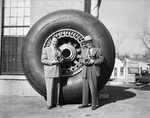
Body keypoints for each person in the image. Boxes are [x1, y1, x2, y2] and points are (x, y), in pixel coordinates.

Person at [78, 35, 104, 110]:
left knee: (93, 87)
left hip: (93, 68)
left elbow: (102, 59)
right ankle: (84, 103)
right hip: (85, 69)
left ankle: (94, 104)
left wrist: (94, 61)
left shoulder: (98, 50)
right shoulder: (84, 50)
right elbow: (80, 60)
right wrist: (82, 61)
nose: (87, 44)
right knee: (85, 88)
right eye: (86, 43)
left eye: (89, 42)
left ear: (91, 42)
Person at [41, 37, 62, 109]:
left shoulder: (59, 50)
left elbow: (60, 58)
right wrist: (51, 62)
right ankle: (49, 104)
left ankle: (56, 103)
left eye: (56, 41)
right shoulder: (46, 49)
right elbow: (43, 60)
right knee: (49, 88)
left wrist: (61, 60)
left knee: (57, 88)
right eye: (54, 41)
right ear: (51, 42)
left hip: (57, 71)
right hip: (49, 71)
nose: (55, 43)